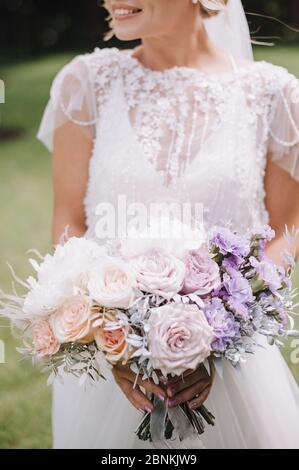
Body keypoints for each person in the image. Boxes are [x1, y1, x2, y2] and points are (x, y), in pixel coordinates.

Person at [38, 0, 299, 449]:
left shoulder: (274, 94)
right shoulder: (84, 84)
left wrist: (218, 333)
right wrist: (111, 336)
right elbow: (69, 221)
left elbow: (288, 227)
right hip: (110, 371)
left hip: (234, 371)